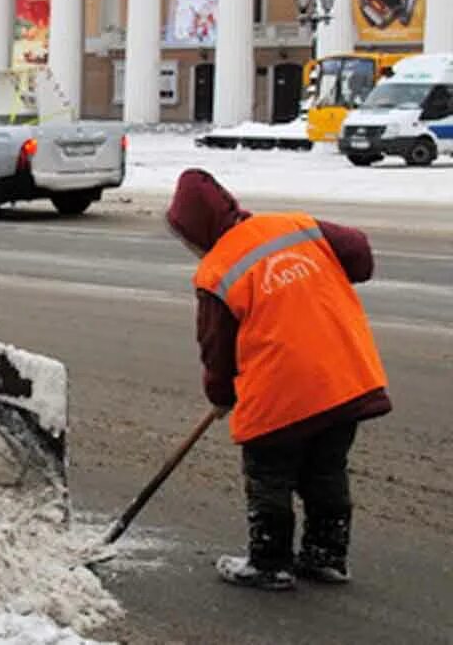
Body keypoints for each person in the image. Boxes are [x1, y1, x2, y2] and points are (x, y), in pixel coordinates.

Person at [166, 169, 390, 591]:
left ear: (197, 231)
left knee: (269, 475)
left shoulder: (216, 272)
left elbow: (217, 350)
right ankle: (326, 556)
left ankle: (269, 563)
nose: (190, 248)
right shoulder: (296, 226)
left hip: (280, 396)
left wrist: (220, 395)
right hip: (344, 378)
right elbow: (358, 252)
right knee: (326, 470)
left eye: (186, 239)